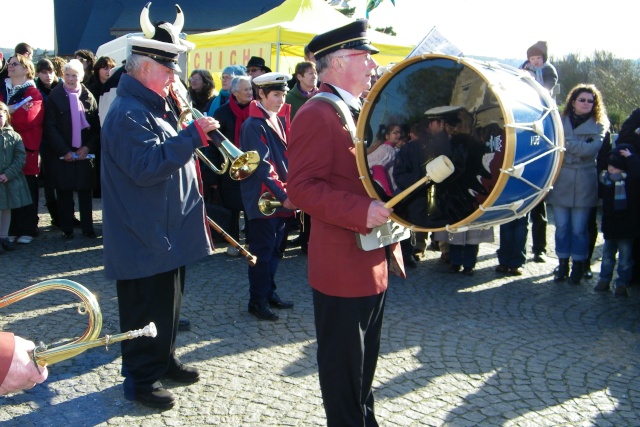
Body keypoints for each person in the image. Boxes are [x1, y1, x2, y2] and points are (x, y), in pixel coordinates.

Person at [288, 20, 405, 426]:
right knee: (343, 367)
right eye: (365, 56)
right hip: (342, 264)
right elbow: (300, 189)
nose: (373, 65)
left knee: (364, 363)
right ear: (337, 63)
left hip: (370, 256)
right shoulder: (317, 113)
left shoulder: (356, 107)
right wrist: (361, 212)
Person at [100, 17, 221, 409]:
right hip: (143, 234)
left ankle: (163, 359)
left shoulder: (154, 104)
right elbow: (146, 166)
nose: (175, 76)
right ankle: (139, 380)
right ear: (146, 68)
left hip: (165, 230)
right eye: (169, 69)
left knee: (168, 305)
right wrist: (191, 136)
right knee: (143, 309)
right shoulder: (128, 112)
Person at [240, 72, 295, 321]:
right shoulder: (253, 124)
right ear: (261, 94)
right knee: (262, 252)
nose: (281, 99)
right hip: (264, 199)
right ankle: (257, 300)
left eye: (283, 94)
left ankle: (268, 291)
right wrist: (284, 194)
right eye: (275, 94)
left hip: (278, 196)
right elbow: (262, 166)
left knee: (275, 250)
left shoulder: (275, 118)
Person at [547, 84, 608, 284]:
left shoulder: (600, 124)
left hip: (584, 182)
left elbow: (591, 150)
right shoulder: (559, 120)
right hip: (562, 180)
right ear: (573, 101)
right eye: (582, 99)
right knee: (562, 227)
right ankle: (563, 263)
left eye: (590, 101)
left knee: (580, 229)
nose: (586, 103)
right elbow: (554, 145)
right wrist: (579, 144)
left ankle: (579, 266)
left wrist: (567, 143)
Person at [43, 59, 99, 240]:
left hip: (84, 153)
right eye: (67, 75)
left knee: (85, 192)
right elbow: (50, 128)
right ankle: (67, 229)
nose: (70, 78)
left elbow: (96, 128)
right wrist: (64, 151)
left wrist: (87, 147)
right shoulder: (54, 96)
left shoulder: (89, 97)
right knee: (64, 191)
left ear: (81, 77)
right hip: (62, 153)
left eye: (74, 75)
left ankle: (88, 228)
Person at [520, 41, 558, 263]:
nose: (535, 61)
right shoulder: (524, 68)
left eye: (538, 58)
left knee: (539, 212)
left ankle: (540, 249)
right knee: (520, 215)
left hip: (539, 170)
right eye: (532, 58)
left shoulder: (548, 71)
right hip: (523, 167)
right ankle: (518, 252)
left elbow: (548, 90)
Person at [210, 75, 253, 256]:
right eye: (246, 90)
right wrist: (212, 175)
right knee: (233, 207)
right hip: (229, 168)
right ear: (235, 93)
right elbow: (213, 145)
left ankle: (251, 241)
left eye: (251, 89)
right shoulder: (221, 113)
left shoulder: (257, 109)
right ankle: (234, 243)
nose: (250, 92)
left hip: (252, 165)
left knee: (252, 205)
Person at [3, 55, 44, 245]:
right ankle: (9, 230)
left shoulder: (33, 93)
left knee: (26, 189)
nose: (10, 67)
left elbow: (27, 120)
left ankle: (28, 228)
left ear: (26, 69)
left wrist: (7, 113)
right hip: (3, 152)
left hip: (26, 149)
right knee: (7, 190)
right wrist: (12, 110)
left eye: (15, 64)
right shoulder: (3, 89)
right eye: (9, 64)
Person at [593, 145, 640, 296]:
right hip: (611, 226)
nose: (611, 169)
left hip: (627, 226)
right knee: (607, 256)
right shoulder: (606, 181)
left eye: (615, 166)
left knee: (625, 259)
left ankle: (622, 283)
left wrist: (630, 157)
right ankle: (604, 280)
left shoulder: (630, 182)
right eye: (610, 165)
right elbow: (605, 207)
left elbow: (637, 172)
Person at [285, 61, 320, 253]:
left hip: (320, 153)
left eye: (314, 73)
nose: (313, 76)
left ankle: (312, 239)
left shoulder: (322, 95)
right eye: (308, 73)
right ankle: (304, 237)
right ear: (299, 76)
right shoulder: (291, 99)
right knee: (304, 195)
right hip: (301, 153)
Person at [0, 102, 32, 254]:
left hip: (7, 179)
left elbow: (20, 157)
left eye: (0, 116)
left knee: (6, 208)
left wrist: (8, 174)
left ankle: (4, 237)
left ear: (6, 117)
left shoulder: (14, 136)